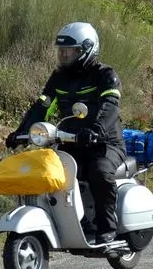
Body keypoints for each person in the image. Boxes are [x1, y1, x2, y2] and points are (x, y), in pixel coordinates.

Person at [7, 22, 126, 245]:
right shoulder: (59, 77)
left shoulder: (105, 75)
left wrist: (96, 130)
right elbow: (43, 105)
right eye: (61, 51)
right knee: (53, 175)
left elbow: (110, 106)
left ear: (86, 50)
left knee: (99, 172)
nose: (63, 56)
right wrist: (21, 132)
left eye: (69, 51)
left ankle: (107, 228)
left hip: (105, 143)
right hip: (70, 142)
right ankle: (75, 223)